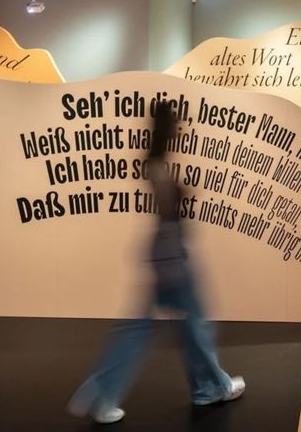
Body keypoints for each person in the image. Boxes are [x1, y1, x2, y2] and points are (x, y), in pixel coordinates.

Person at [68, 104, 244, 425]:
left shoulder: (156, 163)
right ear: (167, 127)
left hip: (165, 249)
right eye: (176, 125)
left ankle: (104, 391)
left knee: (146, 326)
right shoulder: (157, 166)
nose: (180, 130)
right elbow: (167, 211)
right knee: (192, 322)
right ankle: (208, 388)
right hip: (170, 250)